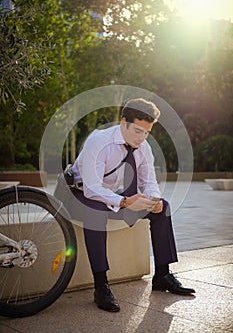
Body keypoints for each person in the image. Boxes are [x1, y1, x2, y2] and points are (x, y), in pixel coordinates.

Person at [70, 98, 195, 312]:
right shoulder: (98, 142)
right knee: (96, 211)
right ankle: (101, 286)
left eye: (147, 132)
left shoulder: (143, 147)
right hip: (78, 192)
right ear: (123, 122)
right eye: (138, 131)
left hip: (113, 194)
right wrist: (125, 201)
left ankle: (162, 276)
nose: (142, 137)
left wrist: (153, 200)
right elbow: (91, 188)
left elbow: (150, 182)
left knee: (163, 208)